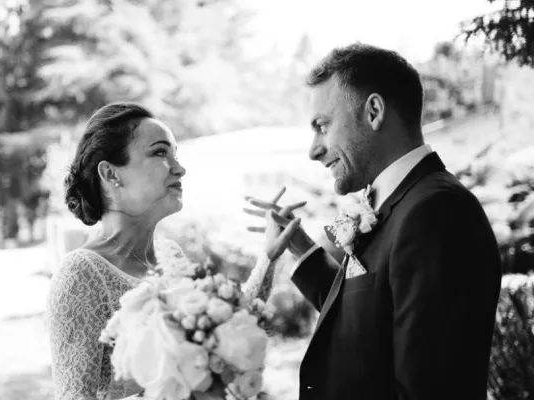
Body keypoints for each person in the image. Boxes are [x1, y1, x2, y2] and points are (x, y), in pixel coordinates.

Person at [245, 43, 502, 400]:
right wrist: (299, 246)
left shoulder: (437, 213)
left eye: (322, 125)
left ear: (374, 111)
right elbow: (364, 321)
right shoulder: (403, 202)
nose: (313, 149)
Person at [47, 102, 302, 400]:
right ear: (111, 173)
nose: (179, 168)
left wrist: (268, 257)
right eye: (159, 153)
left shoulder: (170, 256)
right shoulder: (82, 275)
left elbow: (223, 328)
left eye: (175, 155)